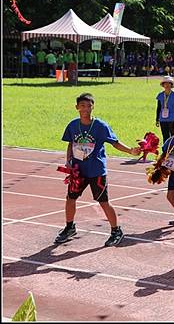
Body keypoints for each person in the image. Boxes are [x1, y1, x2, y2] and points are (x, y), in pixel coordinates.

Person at [55, 93, 141, 246]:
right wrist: (68, 161)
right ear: (77, 107)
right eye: (82, 106)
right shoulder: (73, 125)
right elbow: (70, 144)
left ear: (93, 107)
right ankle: (70, 227)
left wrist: (130, 151)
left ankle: (116, 230)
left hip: (96, 171)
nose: (85, 109)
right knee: (70, 199)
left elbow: (114, 142)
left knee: (103, 202)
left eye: (89, 106)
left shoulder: (100, 126)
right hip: (78, 171)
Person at [154, 76, 174, 144]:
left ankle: (173, 150)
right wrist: (157, 119)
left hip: (173, 119)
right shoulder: (160, 95)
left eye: (169, 83)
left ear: (171, 85)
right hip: (162, 119)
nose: (167, 85)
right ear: (163, 85)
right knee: (165, 136)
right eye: (165, 83)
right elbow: (158, 107)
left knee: (173, 136)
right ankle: (166, 151)